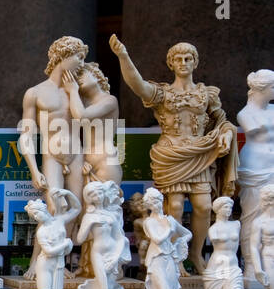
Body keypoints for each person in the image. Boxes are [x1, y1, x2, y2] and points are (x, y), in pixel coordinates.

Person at [111, 36, 236, 274]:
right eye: (178, 59)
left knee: (203, 206)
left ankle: (196, 255)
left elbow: (222, 121)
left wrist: (227, 134)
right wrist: (123, 56)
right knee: (175, 205)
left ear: (195, 62)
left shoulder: (206, 94)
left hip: (199, 153)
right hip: (170, 153)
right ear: (171, 64)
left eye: (188, 58)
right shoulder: (162, 94)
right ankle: (175, 258)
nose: (183, 62)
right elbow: (136, 84)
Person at [20, 36, 88, 224]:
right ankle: (44, 254)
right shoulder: (35, 93)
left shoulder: (81, 91)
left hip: (77, 155)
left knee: (77, 210)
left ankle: (65, 254)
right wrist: (34, 170)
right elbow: (27, 135)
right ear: (63, 55)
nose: (82, 64)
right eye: (79, 57)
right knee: (55, 208)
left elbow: (96, 125)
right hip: (51, 155)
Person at [237, 69, 274, 273]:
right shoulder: (245, 114)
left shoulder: (273, 111)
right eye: (273, 87)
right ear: (261, 88)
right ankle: (251, 264)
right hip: (255, 168)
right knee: (252, 215)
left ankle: (270, 263)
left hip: (273, 166)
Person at [140, 187, 191, 289]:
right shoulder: (149, 222)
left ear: (161, 200)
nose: (156, 204)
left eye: (157, 200)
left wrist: (180, 241)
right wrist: (169, 230)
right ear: (148, 205)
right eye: (152, 202)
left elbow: (188, 233)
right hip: (156, 260)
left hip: (170, 258)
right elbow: (157, 239)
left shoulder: (170, 220)